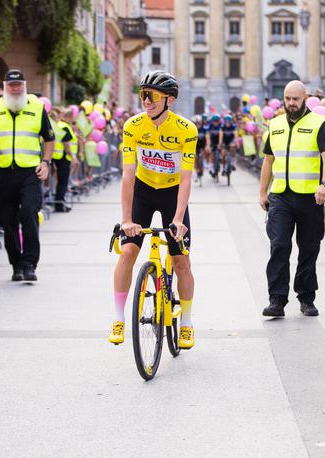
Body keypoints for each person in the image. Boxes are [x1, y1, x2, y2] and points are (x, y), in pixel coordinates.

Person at [109, 70, 198, 348]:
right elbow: (127, 174)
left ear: (169, 100)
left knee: (181, 260)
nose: (145, 101)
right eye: (143, 95)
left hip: (172, 193)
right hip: (144, 191)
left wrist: (178, 219)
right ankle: (118, 319)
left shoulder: (186, 130)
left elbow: (186, 177)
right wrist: (126, 219)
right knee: (127, 253)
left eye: (152, 96)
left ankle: (186, 322)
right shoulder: (133, 126)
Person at [259, 80, 325, 318]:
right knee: (279, 245)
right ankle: (277, 299)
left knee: (309, 248)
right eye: (288, 98)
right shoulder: (276, 123)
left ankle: (306, 297)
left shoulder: (319, 123)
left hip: (310, 197)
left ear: (305, 98)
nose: (291, 103)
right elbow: (268, 160)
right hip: (281, 195)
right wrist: (263, 191)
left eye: (296, 99)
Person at [0, 69, 54, 282]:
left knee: (29, 213)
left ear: (24, 86)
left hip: (30, 172)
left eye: (19, 85)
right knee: (7, 219)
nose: (15, 89)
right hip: (3, 173)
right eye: (11, 85)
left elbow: (49, 138)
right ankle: (16, 264)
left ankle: (29, 264)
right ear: (5, 87)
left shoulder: (37, 107)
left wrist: (46, 162)